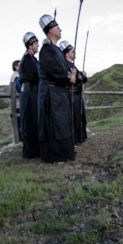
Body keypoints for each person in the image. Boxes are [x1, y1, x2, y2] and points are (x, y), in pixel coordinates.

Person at [37, 14, 76, 163]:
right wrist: (68, 77)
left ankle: (65, 152)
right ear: (50, 31)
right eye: (57, 27)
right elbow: (53, 69)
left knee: (62, 123)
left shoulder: (57, 50)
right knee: (54, 124)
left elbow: (64, 67)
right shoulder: (46, 50)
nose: (60, 29)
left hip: (59, 93)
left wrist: (71, 72)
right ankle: (55, 155)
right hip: (51, 94)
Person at [61, 41, 88, 145]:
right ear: (67, 53)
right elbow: (77, 78)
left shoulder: (72, 65)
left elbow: (81, 79)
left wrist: (81, 75)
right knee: (74, 117)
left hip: (77, 95)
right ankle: (74, 138)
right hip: (71, 95)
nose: (74, 53)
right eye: (72, 52)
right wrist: (81, 75)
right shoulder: (66, 64)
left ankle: (81, 136)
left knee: (80, 116)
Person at [19, 32, 40, 158]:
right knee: (29, 120)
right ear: (30, 45)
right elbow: (34, 75)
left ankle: (35, 149)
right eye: (36, 44)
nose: (38, 46)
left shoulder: (33, 59)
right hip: (29, 93)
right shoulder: (27, 59)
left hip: (33, 93)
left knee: (34, 120)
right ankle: (30, 150)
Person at [10, 60, 22, 141]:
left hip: (18, 103)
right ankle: (20, 140)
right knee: (19, 123)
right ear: (16, 67)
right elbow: (20, 89)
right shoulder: (16, 77)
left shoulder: (17, 76)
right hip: (18, 104)